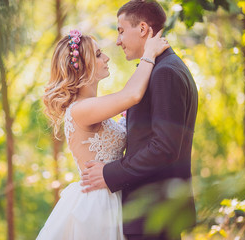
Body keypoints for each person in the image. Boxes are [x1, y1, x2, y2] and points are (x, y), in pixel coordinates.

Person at [36, 27, 169, 240]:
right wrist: (149, 54)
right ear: (82, 66)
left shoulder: (92, 107)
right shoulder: (80, 109)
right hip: (97, 205)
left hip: (115, 194)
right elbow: (132, 94)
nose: (106, 58)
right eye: (98, 54)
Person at [81, 1, 199, 240]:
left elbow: (164, 148)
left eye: (121, 30)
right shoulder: (164, 68)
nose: (117, 40)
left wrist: (109, 174)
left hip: (154, 213)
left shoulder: (165, 73)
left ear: (143, 29)